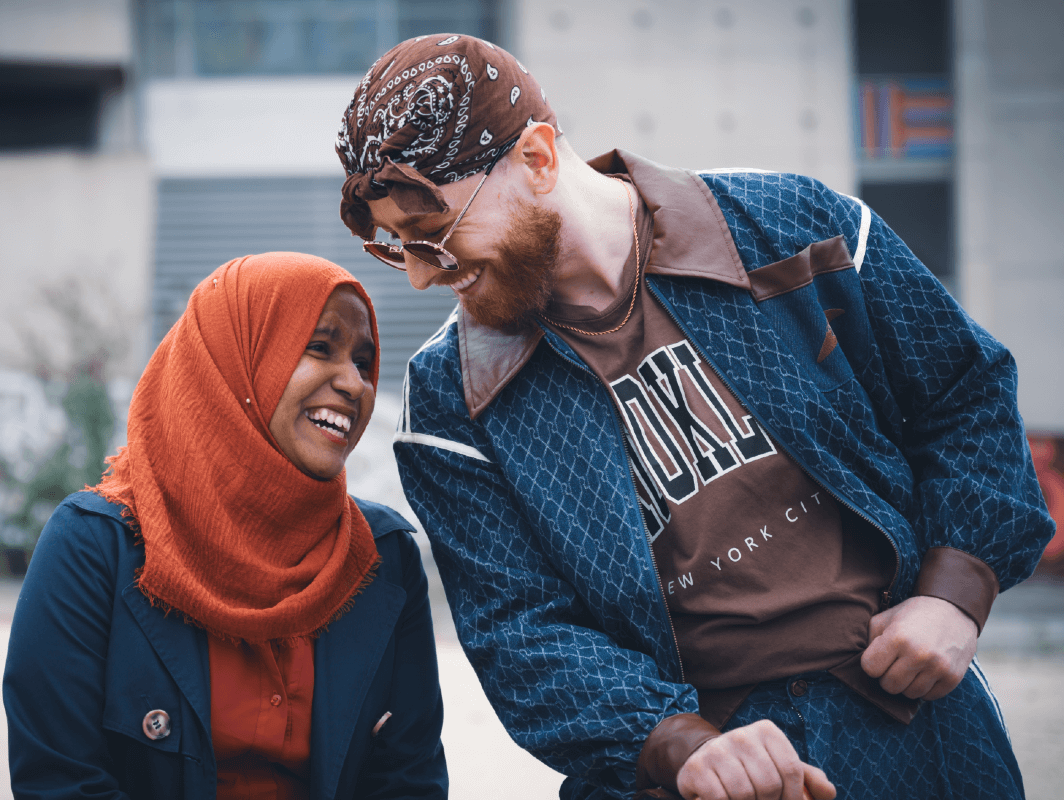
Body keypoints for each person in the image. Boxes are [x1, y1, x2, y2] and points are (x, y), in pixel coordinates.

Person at [335, 34, 1055, 800]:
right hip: (692, 778)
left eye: (436, 235)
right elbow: (520, 629)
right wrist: (673, 743)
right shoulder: (451, 399)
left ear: (540, 158)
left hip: (921, 729)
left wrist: (955, 592)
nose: (419, 276)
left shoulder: (789, 226)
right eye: (400, 250)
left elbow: (963, 396)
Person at [3, 252, 448, 799]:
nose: (354, 383)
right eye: (319, 347)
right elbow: (59, 782)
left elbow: (410, 782)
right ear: (234, 359)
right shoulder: (93, 547)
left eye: (363, 361)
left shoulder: (381, 559)